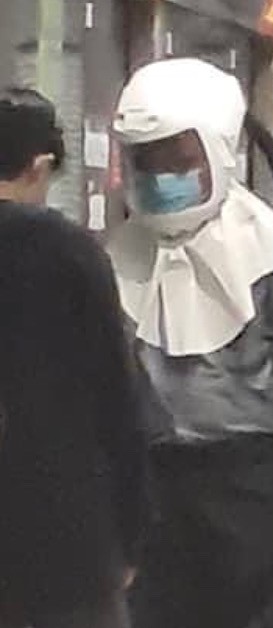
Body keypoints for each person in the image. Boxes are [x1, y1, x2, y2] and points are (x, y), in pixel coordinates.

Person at [104, 58, 273, 628]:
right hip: (149, 475)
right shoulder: (120, 252)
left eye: (179, 158)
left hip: (247, 474)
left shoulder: (269, 251)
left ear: (216, 152)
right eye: (149, 159)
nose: (163, 175)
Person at [0, 87, 148, 628]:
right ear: (39, 166)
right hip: (62, 530)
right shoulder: (70, 253)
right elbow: (118, 401)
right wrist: (128, 537)